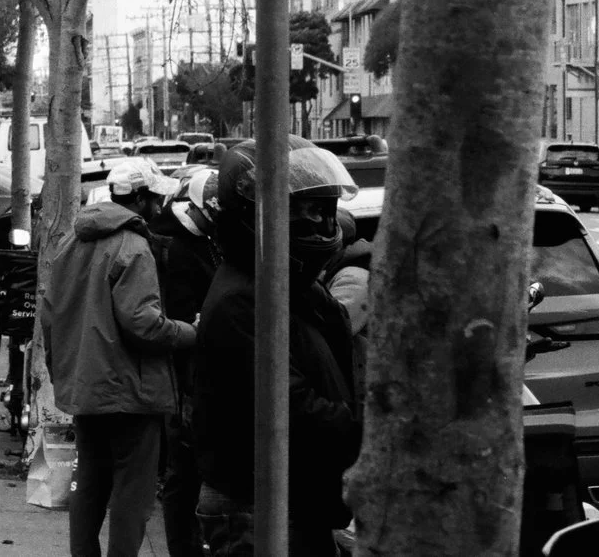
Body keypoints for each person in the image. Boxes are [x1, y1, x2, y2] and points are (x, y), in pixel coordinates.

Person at [192, 139, 362, 557]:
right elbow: (290, 407)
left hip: (291, 501)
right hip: (256, 506)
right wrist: (373, 429)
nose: (320, 227)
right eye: (303, 215)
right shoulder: (244, 299)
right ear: (258, 218)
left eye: (324, 213)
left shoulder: (291, 285)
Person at [42, 155, 198, 557]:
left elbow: (49, 314)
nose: (161, 207)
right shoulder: (134, 246)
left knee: (89, 479)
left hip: (86, 385)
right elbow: (143, 323)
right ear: (142, 199)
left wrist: (63, 371)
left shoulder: (70, 243)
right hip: (130, 391)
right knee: (133, 490)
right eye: (155, 199)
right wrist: (190, 331)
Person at [154, 166, 219, 557]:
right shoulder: (176, 246)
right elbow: (177, 312)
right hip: (183, 374)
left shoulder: (196, 241)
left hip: (193, 370)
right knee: (183, 470)